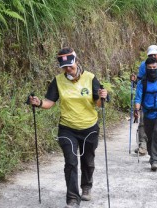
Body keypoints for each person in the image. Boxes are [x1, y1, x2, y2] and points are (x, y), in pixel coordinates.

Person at [28, 47, 108, 208]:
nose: (68, 70)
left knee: (88, 160)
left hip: (89, 127)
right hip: (67, 128)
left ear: (76, 62)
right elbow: (50, 102)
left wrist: (102, 97)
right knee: (70, 162)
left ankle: (86, 187)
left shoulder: (90, 78)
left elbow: (98, 103)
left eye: (70, 66)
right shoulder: (58, 81)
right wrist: (39, 103)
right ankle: (72, 198)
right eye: (64, 67)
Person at [131, 45, 157, 155]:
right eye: (150, 55)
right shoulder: (144, 65)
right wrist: (134, 80)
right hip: (146, 98)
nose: (153, 56)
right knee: (143, 123)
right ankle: (142, 145)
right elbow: (140, 80)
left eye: (154, 54)